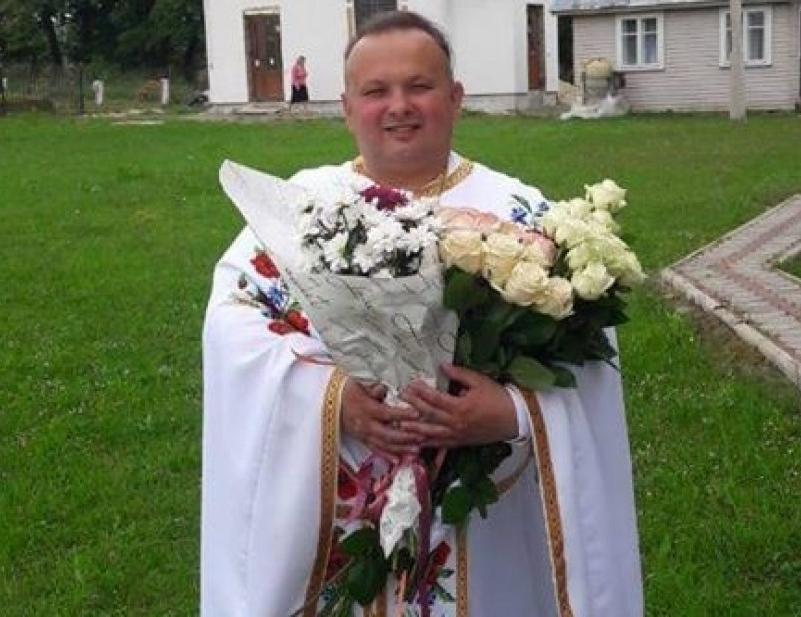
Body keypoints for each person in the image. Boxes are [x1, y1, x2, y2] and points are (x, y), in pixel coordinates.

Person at [201, 10, 643, 616]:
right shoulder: (297, 212)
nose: (399, 106)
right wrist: (334, 400)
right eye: (375, 91)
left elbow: (590, 357)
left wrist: (510, 411)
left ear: (455, 98)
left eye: (420, 86)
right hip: (343, 503)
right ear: (347, 107)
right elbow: (236, 327)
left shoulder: (523, 215)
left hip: (488, 518)